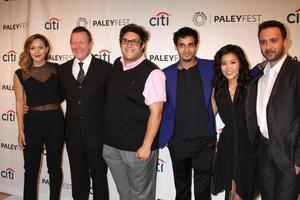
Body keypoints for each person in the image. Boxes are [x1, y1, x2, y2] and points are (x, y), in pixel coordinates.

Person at [102, 23, 166, 200]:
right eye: (125, 41)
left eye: (134, 41)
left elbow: (157, 113)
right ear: (120, 42)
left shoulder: (153, 73)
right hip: (111, 146)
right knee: (125, 194)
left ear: (143, 45)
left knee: (141, 195)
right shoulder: (116, 65)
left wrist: (146, 146)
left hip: (137, 149)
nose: (129, 45)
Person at [159, 27, 216, 200]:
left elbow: (236, 77)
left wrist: (259, 68)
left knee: (202, 193)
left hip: (205, 141)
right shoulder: (166, 73)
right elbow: (162, 107)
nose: (186, 49)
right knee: (181, 191)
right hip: (178, 141)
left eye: (190, 45)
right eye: (182, 45)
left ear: (196, 45)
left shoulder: (211, 67)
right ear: (176, 46)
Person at [246, 20, 300, 200]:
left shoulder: (297, 72)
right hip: (263, 152)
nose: (268, 46)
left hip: (288, 155)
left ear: (285, 42)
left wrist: (298, 159)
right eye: (263, 42)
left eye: (273, 40)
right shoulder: (260, 76)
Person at [58, 26, 111, 200]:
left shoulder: (106, 69)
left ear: (90, 44)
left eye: (81, 42)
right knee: (78, 178)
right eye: (73, 42)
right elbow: (55, 97)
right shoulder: (62, 70)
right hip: (73, 135)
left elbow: (115, 102)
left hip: (98, 135)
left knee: (99, 179)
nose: (77, 46)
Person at [14, 34, 64, 200]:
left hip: (55, 121)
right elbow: (20, 102)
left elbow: (64, 94)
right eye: (33, 47)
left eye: (41, 47)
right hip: (33, 123)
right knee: (31, 169)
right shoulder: (20, 73)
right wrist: (21, 130)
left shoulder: (58, 69)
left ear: (47, 49)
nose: (37, 51)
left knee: (54, 167)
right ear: (28, 50)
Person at [211, 44, 257, 200]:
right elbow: (209, 115)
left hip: (248, 144)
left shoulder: (252, 85)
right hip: (228, 144)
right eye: (224, 63)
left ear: (240, 63)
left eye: (233, 62)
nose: (228, 68)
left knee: (241, 193)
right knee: (230, 192)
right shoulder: (218, 87)